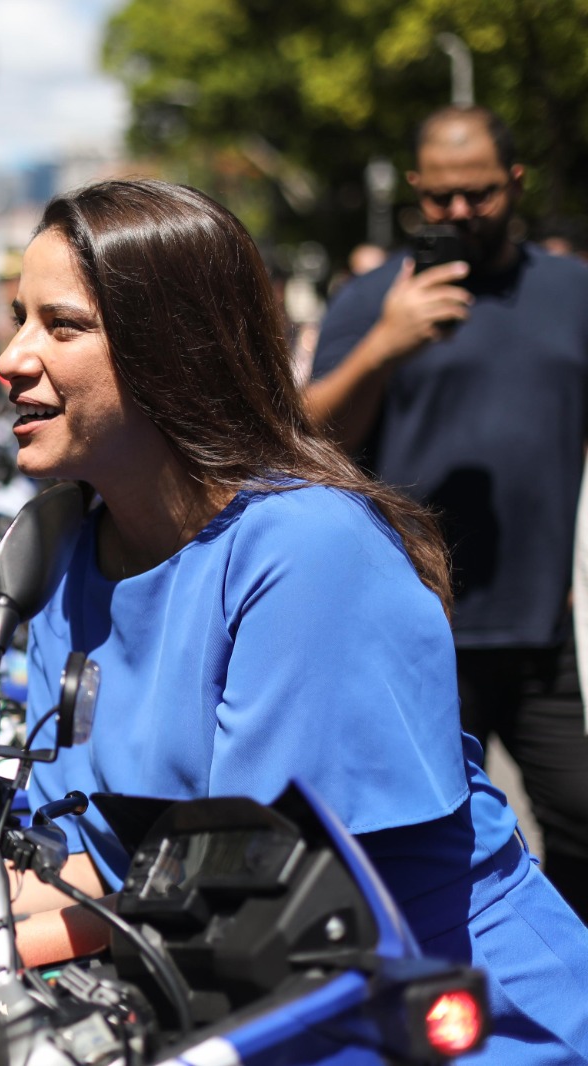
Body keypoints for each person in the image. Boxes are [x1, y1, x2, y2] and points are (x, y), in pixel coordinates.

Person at [0, 179, 588, 1061]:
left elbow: (247, 889)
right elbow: (72, 854)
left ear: (172, 349)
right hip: (222, 1013)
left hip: (449, 1023)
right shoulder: (70, 551)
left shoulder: (306, 549)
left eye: (61, 325)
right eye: (18, 318)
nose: (11, 356)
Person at [306, 105, 588, 921]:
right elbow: (306, 446)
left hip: (551, 634)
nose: (461, 213)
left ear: (515, 183)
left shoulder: (571, 291)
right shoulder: (371, 301)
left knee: (580, 825)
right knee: (426, 845)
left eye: (482, 194)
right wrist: (384, 347)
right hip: (417, 631)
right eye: (441, 199)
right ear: (418, 195)